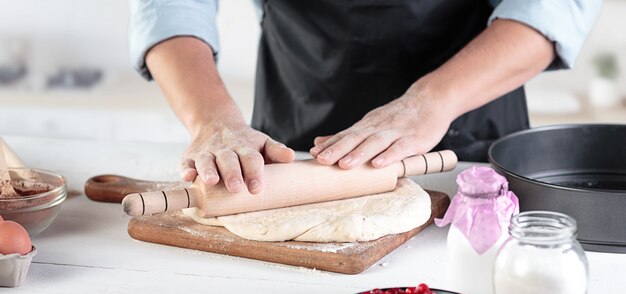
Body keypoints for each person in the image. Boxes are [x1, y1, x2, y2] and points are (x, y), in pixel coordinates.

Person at [129, 1, 601, 195]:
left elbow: (550, 10)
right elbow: (170, 9)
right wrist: (213, 121)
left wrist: (431, 101)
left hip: (468, 140)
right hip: (291, 149)